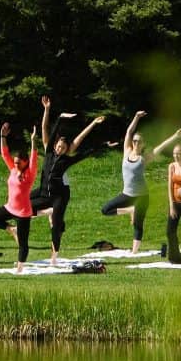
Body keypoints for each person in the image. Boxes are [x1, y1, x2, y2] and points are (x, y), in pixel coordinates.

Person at [32, 96, 109, 262]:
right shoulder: (49, 152)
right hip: (45, 191)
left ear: (66, 149)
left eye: (63, 146)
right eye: (58, 146)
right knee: (22, 206)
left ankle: (54, 254)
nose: (60, 148)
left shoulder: (67, 158)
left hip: (60, 194)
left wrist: (96, 131)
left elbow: (82, 147)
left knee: (57, 224)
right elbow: (46, 129)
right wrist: (50, 111)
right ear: (54, 146)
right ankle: (45, 212)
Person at [100, 111, 181, 253]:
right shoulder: (127, 151)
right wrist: (136, 117)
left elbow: (162, 146)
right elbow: (129, 131)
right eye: (134, 141)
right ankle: (130, 210)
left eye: (139, 141)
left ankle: (134, 252)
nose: (135, 143)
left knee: (138, 224)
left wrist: (176, 136)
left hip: (142, 196)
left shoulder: (145, 158)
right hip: (127, 195)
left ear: (143, 144)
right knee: (105, 210)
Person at [0, 123, 38, 273]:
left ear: (25, 162)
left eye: (18, 162)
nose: (15, 164)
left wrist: (33, 141)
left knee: (23, 243)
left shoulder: (30, 174)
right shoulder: (13, 169)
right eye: (14, 162)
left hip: (23, 213)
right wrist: (2, 136)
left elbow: (34, 157)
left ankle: (20, 268)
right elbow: (4, 153)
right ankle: (10, 228)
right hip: (9, 208)